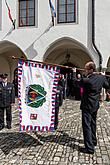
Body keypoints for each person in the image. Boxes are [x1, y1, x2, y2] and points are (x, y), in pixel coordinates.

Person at [72, 62, 110, 154]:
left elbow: (75, 82)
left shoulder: (86, 80)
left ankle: (89, 148)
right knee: (93, 123)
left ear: (90, 70)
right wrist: (104, 76)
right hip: (95, 105)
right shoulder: (101, 78)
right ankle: (93, 141)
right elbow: (108, 86)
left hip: (87, 106)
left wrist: (73, 72)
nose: (85, 71)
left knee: (87, 126)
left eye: (86, 69)